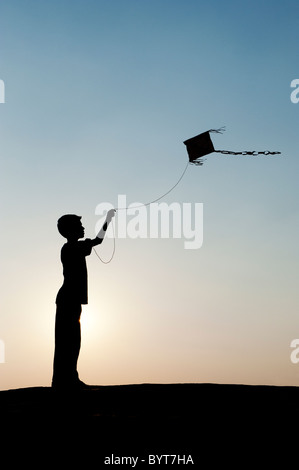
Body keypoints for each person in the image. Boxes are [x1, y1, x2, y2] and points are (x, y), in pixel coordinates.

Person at [52, 209, 115, 390]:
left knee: (70, 341)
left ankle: (67, 378)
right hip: (68, 299)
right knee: (70, 341)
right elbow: (98, 240)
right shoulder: (73, 248)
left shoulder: (72, 247)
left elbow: (95, 241)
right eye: (80, 226)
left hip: (70, 299)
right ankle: (66, 380)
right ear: (70, 230)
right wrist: (108, 220)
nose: (83, 228)